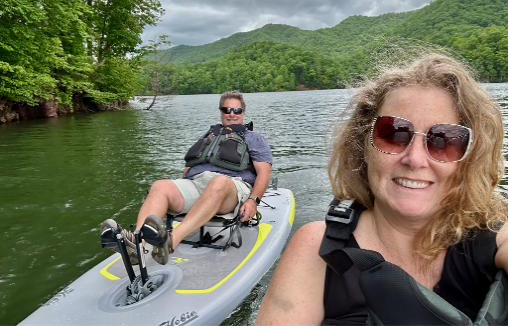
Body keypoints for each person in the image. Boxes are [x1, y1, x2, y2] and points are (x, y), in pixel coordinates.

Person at [255, 54, 508, 325]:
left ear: (468, 157)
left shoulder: (495, 234)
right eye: (394, 134)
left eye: (444, 140)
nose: (415, 160)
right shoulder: (316, 251)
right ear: (363, 146)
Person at [101, 90, 272, 265]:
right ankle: (137, 245)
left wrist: (253, 200)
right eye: (227, 109)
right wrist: (182, 184)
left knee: (218, 182)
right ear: (221, 111)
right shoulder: (208, 135)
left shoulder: (253, 138)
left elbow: (264, 172)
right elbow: (190, 165)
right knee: (160, 186)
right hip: (198, 184)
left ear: (243, 113)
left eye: (237, 110)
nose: (231, 114)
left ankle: (171, 240)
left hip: (232, 188)